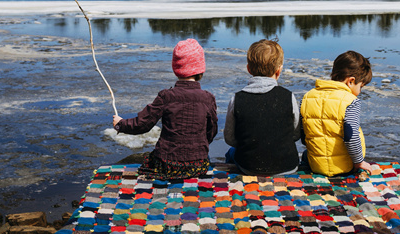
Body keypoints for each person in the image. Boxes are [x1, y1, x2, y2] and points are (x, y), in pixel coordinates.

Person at [113, 38, 217, 180]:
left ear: (176, 68)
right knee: (206, 158)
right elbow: (211, 131)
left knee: (149, 160)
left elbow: (143, 124)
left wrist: (121, 124)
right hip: (197, 165)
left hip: (168, 164)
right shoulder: (207, 98)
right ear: (200, 69)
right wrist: (197, 146)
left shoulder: (166, 96)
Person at [224, 39, 301, 175]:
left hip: (249, 167)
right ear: (279, 71)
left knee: (231, 153)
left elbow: (229, 138)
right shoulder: (288, 97)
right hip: (287, 166)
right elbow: (295, 134)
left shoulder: (237, 98)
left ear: (248, 69)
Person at [300, 50, 372, 176]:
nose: (360, 91)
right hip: (344, 166)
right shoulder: (350, 101)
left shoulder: (308, 96)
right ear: (351, 81)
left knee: (307, 154)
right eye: (361, 86)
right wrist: (359, 162)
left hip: (315, 165)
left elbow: (302, 133)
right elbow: (352, 137)